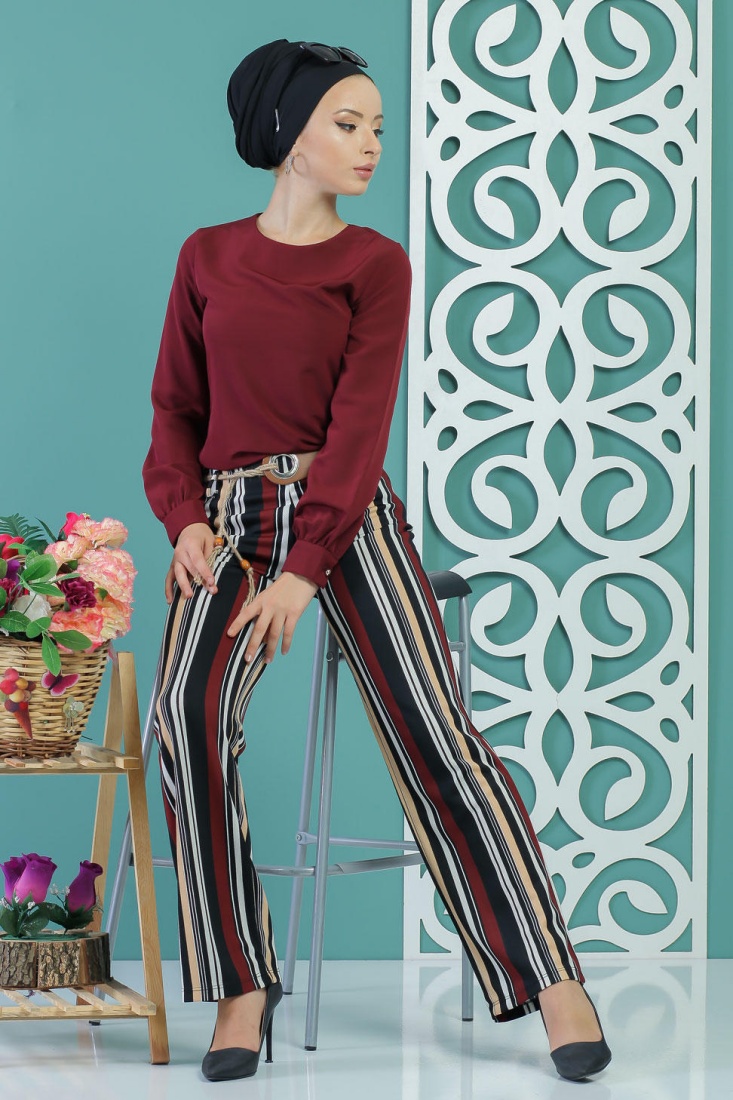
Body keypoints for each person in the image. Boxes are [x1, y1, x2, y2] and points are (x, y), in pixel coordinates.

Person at [142, 38, 612, 1085]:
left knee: (434, 731)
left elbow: (360, 427)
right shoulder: (206, 256)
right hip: (227, 516)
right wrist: (181, 520)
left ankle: (551, 975)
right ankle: (241, 983)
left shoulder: (373, 264)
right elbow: (175, 406)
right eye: (347, 124)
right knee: (181, 715)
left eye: (377, 129)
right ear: (286, 131)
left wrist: (305, 567)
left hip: (344, 515)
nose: (369, 145)